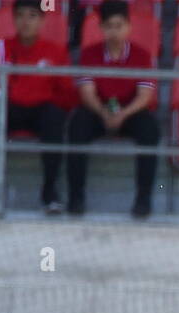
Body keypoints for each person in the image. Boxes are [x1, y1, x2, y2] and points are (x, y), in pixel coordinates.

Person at [0, 0, 74, 214]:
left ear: (42, 20)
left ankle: (50, 193)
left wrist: (38, 96)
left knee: (54, 118)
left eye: (32, 16)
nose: (25, 22)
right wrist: (9, 94)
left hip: (40, 111)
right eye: (20, 16)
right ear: (13, 19)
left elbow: (66, 94)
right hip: (8, 108)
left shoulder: (55, 52)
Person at [66, 0, 158, 219]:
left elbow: (145, 97)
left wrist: (122, 114)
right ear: (101, 28)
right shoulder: (89, 54)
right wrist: (104, 113)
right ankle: (76, 197)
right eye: (109, 26)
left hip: (130, 111)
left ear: (128, 27)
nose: (114, 32)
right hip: (99, 109)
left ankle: (143, 200)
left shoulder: (142, 55)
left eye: (119, 26)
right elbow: (87, 93)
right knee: (77, 125)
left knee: (150, 130)